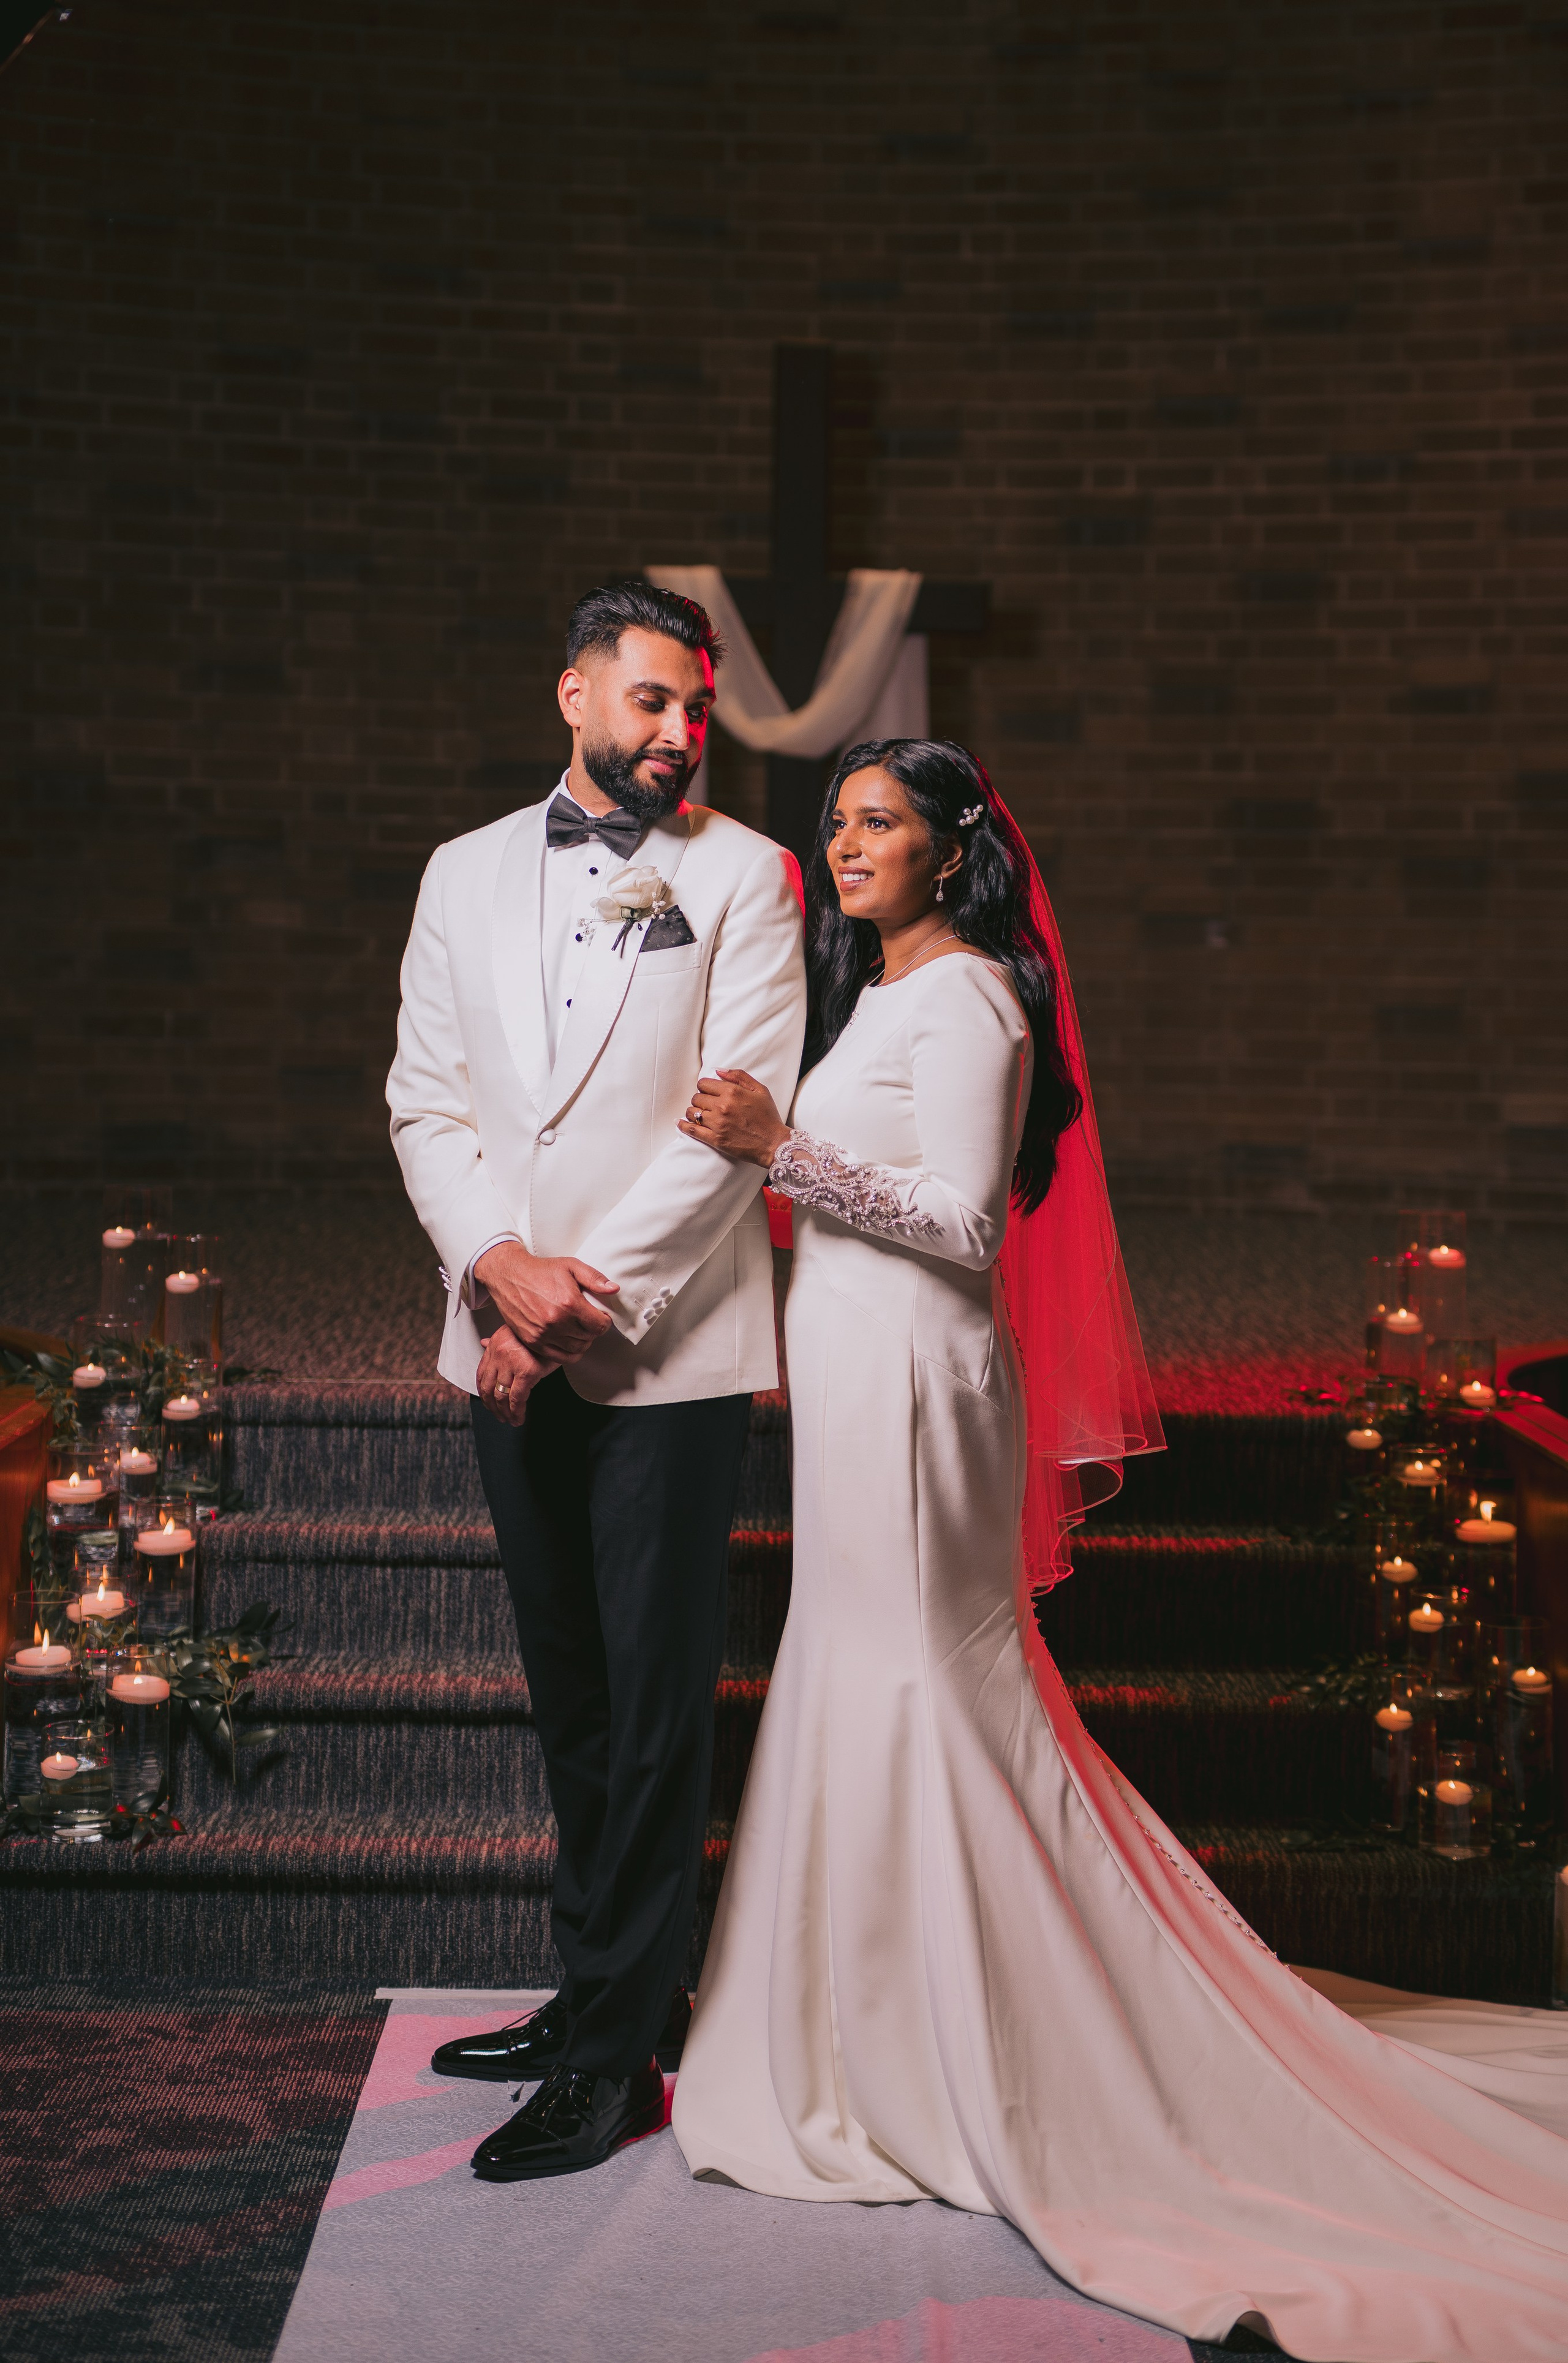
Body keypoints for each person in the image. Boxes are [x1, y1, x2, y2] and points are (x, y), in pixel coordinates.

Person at [669, 736, 1568, 2362]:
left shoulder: (973, 1005)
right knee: (859, 1681)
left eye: (882, 822)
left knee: (933, 1694)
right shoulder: (876, 993)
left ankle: (998, 2048)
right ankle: (868, 2037)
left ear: (954, 853)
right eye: (840, 821)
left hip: (927, 1391)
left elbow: (956, 1217)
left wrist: (773, 1148)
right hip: (862, 1375)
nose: (850, 842)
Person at [386, 581, 806, 2182]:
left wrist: (562, 1304)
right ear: (574, 695)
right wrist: (494, 1262)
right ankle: (594, 1996)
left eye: (695, 708)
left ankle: (623, 2051)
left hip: (667, 1351)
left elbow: (732, 1123)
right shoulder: (460, 873)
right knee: (569, 1688)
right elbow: (425, 1097)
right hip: (498, 1326)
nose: (677, 734)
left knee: (650, 1709)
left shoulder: (749, 878)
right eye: (649, 702)